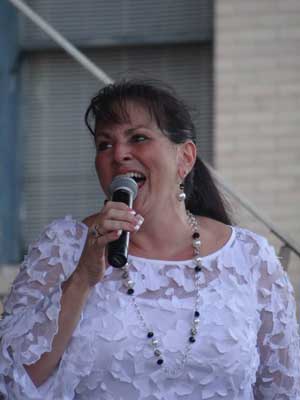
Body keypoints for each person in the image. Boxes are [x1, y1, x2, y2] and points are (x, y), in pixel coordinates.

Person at [0, 79, 299, 400]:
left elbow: (283, 389)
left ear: (185, 158)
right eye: (104, 144)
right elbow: (11, 377)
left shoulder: (250, 256)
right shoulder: (64, 247)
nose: (119, 155)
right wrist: (82, 279)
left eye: (138, 138)